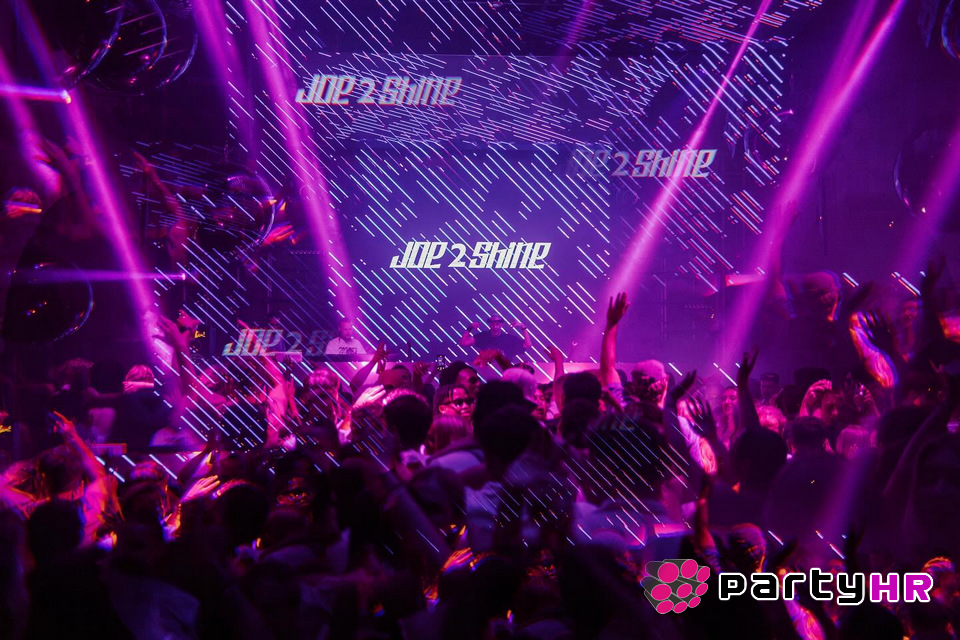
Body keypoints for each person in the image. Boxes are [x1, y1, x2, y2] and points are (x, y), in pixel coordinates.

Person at [459, 315, 532, 359]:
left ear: (501, 325)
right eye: (492, 324)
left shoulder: (509, 339)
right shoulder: (483, 336)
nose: (495, 327)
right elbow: (463, 343)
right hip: (486, 369)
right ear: (490, 325)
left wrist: (523, 327)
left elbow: (528, 344)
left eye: (497, 324)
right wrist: (470, 328)